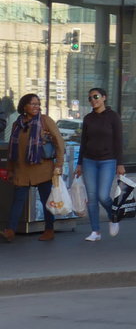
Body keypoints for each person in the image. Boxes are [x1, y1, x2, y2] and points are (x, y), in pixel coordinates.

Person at [1, 93, 65, 242]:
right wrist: (10, 168)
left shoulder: (45, 121)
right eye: (33, 104)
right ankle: (10, 231)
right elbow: (12, 146)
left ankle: (49, 230)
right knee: (17, 201)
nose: (36, 106)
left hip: (42, 168)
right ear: (24, 106)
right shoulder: (18, 123)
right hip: (22, 170)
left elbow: (59, 142)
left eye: (38, 104)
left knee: (46, 201)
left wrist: (59, 164)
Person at [78, 86, 125, 241]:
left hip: (108, 161)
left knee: (103, 195)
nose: (93, 100)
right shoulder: (88, 119)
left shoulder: (113, 117)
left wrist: (120, 163)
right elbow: (83, 142)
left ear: (104, 97)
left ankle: (113, 216)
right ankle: (95, 231)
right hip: (89, 160)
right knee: (92, 198)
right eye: (90, 98)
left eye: (96, 97)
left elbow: (118, 141)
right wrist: (79, 164)